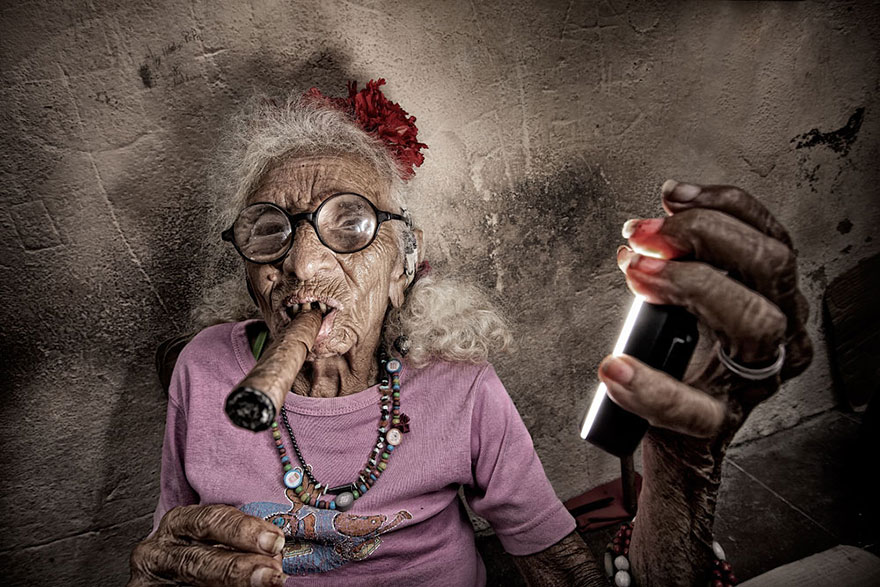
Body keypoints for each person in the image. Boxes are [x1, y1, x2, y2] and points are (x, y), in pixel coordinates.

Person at [128, 80, 812, 587]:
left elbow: (560, 567)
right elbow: (177, 543)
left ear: (403, 266)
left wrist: (683, 474)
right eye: (270, 230)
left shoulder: (459, 383)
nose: (302, 264)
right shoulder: (200, 368)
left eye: (351, 224)